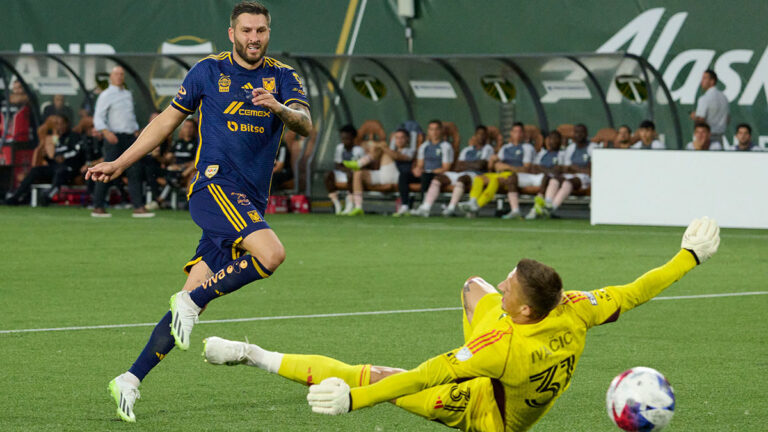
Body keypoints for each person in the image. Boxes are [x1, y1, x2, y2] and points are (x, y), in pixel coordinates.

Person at [203, 217, 720, 432]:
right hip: (506, 358)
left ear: (522, 309)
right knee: (474, 287)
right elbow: (634, 292)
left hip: (484, 412)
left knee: (369, 374)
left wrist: (355, 400)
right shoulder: (573, 306)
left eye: (510, 286)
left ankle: (255, 355)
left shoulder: (501, 347)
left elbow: (427, 374)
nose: (504, 283)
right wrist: (688, 256)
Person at [87, 1, 311, 422]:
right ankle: (190, 304)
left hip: (247, 202)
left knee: (190, 300)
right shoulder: (208, 71)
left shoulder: (284, 77)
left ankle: (129, 380)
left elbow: (304, 123)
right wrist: (120, 162)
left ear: (268, 32)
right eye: (246, 30)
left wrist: (279, 109)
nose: (254, 38)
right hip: (215, 187)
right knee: (272, 254)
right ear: (232, 33)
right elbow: (165, 121)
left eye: (261, 30)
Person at [91, 65, 154, 218]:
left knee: (135, 170)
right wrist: (106, 132)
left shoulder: (127, 94)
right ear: (111, 77)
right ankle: (98, 206)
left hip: (129, 136)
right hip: (114, 137)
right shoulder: (106, 94)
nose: (119, 76)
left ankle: (138, 206)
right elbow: (98, 116)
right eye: (116, 74)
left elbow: (129, 116)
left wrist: (135, 130)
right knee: (107, 169)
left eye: (121, 74)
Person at [412, 125, 495, 217]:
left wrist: (467, 164)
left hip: (476, 175)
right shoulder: (467, 149)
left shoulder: (488, 148)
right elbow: (459, 165)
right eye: (478, 134)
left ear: (486, 136)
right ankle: (426, 207)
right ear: (474, 135)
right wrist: (472, 164)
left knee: (462, 178)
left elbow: (481, 165)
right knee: (438, 178)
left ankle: (451, 208)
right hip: (460, 172)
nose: (480, 136)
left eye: (483, 134)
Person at [4, 115, 85, 205]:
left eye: (62, 124)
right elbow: (55, 157)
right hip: (57, 167)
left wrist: (64, 157)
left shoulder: (74, 136)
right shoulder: (59, 139)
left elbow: (78, 152)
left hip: (70, 168)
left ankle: (48, 197)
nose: (59, 126)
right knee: (36, 170)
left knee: (60, 172)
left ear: (67, 124)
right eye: (57, 124)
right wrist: (46, 157)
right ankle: (16, 197)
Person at [459, 122, 534, 218]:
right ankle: (472, 201)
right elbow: (494, 167)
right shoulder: (505, 148)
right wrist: (493, 162)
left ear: (524, 134)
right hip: (501, 173)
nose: (517, 134)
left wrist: (507, 167)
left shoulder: (527, 148)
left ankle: (477, 205)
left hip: (514, 175)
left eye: (519, 132)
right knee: (479, 178)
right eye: (515, 131)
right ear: (511, 133)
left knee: (495, 181)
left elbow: (526, 168)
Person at [345, 128, 414, 215]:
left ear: (407, 139)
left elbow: (397, 157)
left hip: (396, 177)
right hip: (382, 174)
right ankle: (358, 207)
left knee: (384, 150)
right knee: (358, 173)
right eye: (397, 138)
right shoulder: (391, 150)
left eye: (402, 138)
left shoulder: (410, 151)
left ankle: (360, 162)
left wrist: (382, 146)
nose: (399, 140)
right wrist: (380, 146)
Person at [534, 124, 596, 218]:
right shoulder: (571, 148)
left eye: (581, 132)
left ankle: (551, 209)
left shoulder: (592, 147)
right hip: (571, 175)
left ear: (586, 134)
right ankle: (547, 204)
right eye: (576, 132)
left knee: (567, 183)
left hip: (586, 178)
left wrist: (574, 168)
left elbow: (592, 170)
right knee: (554, 180)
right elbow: (566, 168)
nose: (579, 135)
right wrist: (579, 168)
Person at [394, 120, 453, 216]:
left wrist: (428, 171)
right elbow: (420, 164)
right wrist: (417, 169)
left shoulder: (446, 146)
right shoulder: (424, 146)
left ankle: (424, 206)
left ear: (441, 130)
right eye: (431, 129)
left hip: (438, 175)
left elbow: (446, 167)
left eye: (436, 129)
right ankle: (405, 205)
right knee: (404, 175)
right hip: (425, 173)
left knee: (426, 175)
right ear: (428, 131)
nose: (434, 132)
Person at [325, 124, 363, 214]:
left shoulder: (359, 150)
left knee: (352, 175)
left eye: (347, 139)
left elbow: (362, 165)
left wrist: (350, 170)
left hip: (355, 175)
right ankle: (337, 204)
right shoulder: (340, 148)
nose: (345, 141)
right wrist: (346, 170)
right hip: (343, 172)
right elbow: (337, 164)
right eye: (343, 139)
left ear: (353, 138)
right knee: (327, 175)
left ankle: (350, 204)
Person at [691, 69, 729, 147]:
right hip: (720, 137)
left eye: (705, 78)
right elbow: (728, 119)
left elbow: (700, 120)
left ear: (712, 81)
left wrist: (695, 117)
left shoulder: (704, 98)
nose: (702, 81)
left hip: (706, 140)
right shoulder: (724, 97)